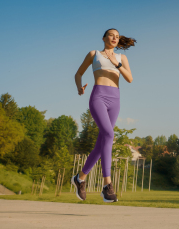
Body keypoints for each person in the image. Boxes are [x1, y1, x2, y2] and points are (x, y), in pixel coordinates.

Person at [71, 28, 135, 202]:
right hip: (98, 96)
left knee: (102, 143)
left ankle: (80, 178)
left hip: (115, 99)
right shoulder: (94, 54)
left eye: (117, 36)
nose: (114, 38)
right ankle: (107, 184)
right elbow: (78, 73)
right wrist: (79, 87)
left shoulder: (122, 58)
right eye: (111, 35)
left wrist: (117, 63)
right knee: (109, 134)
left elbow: (130, 79)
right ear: (104, 38)